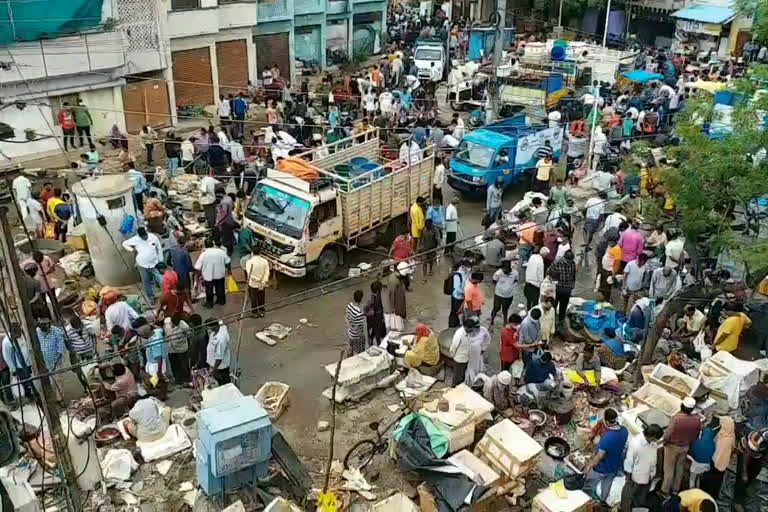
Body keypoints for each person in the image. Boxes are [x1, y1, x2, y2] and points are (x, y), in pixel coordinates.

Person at [583, 407, 629, 502]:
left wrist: (589, 466)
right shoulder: (624, 430)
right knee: (609, 477)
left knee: (593, 481)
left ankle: (594, 495)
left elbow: (600, 456)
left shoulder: (607, 437)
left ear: (607, 421)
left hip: (603, 467)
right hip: (616, 462)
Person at [662, 397, 703, 495]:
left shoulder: (676, 418)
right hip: (685, 447)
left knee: (669, 470)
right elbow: (696, 435)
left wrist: (665, 442)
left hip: (672, 447)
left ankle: (665, 490)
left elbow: (668, 434)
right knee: (680, 468)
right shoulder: (697, 419)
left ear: (682, 406)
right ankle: (676, 490)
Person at [620, 423, 663, 512]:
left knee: (641, 498)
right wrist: (629, 478)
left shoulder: (652, 443)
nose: (656, 442)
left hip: (648, 476)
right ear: (651, 436)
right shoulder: (636, 444)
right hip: (635, 478)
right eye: (655, 439)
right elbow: (629, 462)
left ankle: (637, 508)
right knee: (628, 497)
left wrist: (652, 474)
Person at [122, 227, 164, 304]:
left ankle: (166, 293)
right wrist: (132, 250)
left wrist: (160, 260)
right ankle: (151, 298)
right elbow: (124, 243)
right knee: (146, 281)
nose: (144, 238)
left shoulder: (153, 237)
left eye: (145, 236)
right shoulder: (135, 239)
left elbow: (159, 248)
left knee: (160, 278)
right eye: (142, 237)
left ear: (146, 233)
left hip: (154, 263)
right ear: (139, 236)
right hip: (142, 264)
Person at [701, 415, 735, 498]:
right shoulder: (730, 435)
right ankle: (714, 495)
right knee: (718, 480)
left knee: (712, 479)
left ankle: (707, 494)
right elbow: (733, 448)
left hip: (716, 461)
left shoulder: (724, 438)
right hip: (723, 463)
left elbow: (717, 448)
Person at [195, 238, 231, 308]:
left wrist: (198, 275)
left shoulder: (204, 254)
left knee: (209, 290)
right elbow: (228, 261)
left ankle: (209, 303)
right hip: (220, 274)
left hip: (208, 275)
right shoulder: (221, 252)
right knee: (220, 288)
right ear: (213, 243)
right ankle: (221, 301)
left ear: (205, 245)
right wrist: (228, 270)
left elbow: (197, 266)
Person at [550, 250, 576, 324]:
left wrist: (572, 285)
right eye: (568, 261)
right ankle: (552, 318)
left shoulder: (572, 263)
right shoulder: (557, 262)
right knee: (554, 304)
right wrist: (554, 280)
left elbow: (573, 274)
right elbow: (549, 272)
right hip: (557, 288)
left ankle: (561, 319)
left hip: (567, 289)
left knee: (564, 305)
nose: (569, 262)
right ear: (564, 258)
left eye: (570, 261)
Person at [490, 260, 517, 330]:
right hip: (498, 295)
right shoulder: (498, 273)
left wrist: (510, 287)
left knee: (505, 310)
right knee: (495, 309)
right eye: (503, 269)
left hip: (509, 296)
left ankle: (505, 322)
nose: (504, 270)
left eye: (506, 269)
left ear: (509, 267)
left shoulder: (515, 273)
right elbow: (494, 281)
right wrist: (501, 288)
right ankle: (492, 321)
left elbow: (516, 280)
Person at [164, 315, 191, 385]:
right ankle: (178, 380)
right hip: (171, 350)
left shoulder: (184, 326)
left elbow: (189, 335)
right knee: (174, 365)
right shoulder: (167, 323)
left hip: (181, 349)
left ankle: (187, 379)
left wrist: (180, 340)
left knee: (184, 365)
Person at [385, 262, 411, 332]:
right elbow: (391, 294)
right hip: (397, 301)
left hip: (400, 297)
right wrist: (392, 307)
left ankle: (401, 320)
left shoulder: (398, 277)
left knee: (400, 312)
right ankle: (398, 327)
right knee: (398, 315)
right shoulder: (394, 280)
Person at [244, 245, 269, 318]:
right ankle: (262, 311)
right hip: (262, 284)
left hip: (253, 284)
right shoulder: (264, 261)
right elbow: (267, 272)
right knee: (261, 297)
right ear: (260, 252)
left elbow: (250, 274)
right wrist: (263, 280)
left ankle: (255, 313)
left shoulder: (249, 262)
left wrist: (257, 279)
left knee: (253, 298)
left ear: (252, 252)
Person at [206, 318, 231, 384]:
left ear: (214, 327)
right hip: (215, 364)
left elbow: (219, 359)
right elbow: (220, 321)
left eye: (208, 327)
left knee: (222, 382)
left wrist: (213, 370)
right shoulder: (220, 327)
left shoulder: (220, 341)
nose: (208, 329)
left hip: (220, 368)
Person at [346, 290, 368, 355]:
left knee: (350, 348)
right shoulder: (359, 313)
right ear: (361, 298)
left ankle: (348, 360)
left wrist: (350, 326)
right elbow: (358, 327)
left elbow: (347, 318)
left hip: (350, 333)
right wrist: (362, 337)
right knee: (360, 352)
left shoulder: (349, 305)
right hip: (357, 336)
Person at [448, 260, 470, 328]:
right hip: (457, 297)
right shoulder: (458, 275)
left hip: (462, 297)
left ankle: (456, 324)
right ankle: (452, 326)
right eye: (468, 267)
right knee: (456, 312)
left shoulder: (466, 273)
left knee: (458, 312)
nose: (469, 268)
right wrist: (466, 292)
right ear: (463, 267)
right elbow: (457, 289)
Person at [365, 281, 386, 346]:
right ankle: (378, 345)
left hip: (373, 319)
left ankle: (372, 341)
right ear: (378, 290)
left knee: (374, 332)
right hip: (376, 318)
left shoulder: (373, 296)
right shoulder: (374, 299)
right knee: (378, 334)